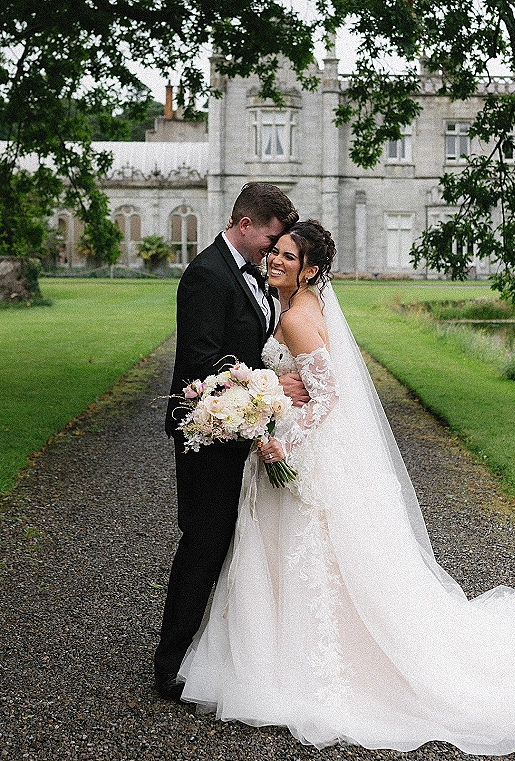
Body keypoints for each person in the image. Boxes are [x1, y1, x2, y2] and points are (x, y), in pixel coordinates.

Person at [177, 219, 515, 755]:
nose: (274, 260)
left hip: (296, 453)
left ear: (310, 270)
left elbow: (327, 398)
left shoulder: (297, 318)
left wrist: (282, 446)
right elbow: (298, 384)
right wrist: (266, 391)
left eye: (288, 256)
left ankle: (304, 664)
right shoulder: (295, 308)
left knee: (308, 552)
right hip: (284, 442)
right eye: (275, 251)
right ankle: (281, 652)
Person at [154, 183, 305, 701]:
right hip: (209, 433)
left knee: (235, 544)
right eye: (270, 238)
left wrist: (270, 393)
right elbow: (201, 364)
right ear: (245, 225)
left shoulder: (257, 276)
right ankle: (170, 664)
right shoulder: (205, 276)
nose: (273, 249)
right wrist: (266, 387)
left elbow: (253, 348)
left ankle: (220, 652)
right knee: (203, 542)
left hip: (246, 430)